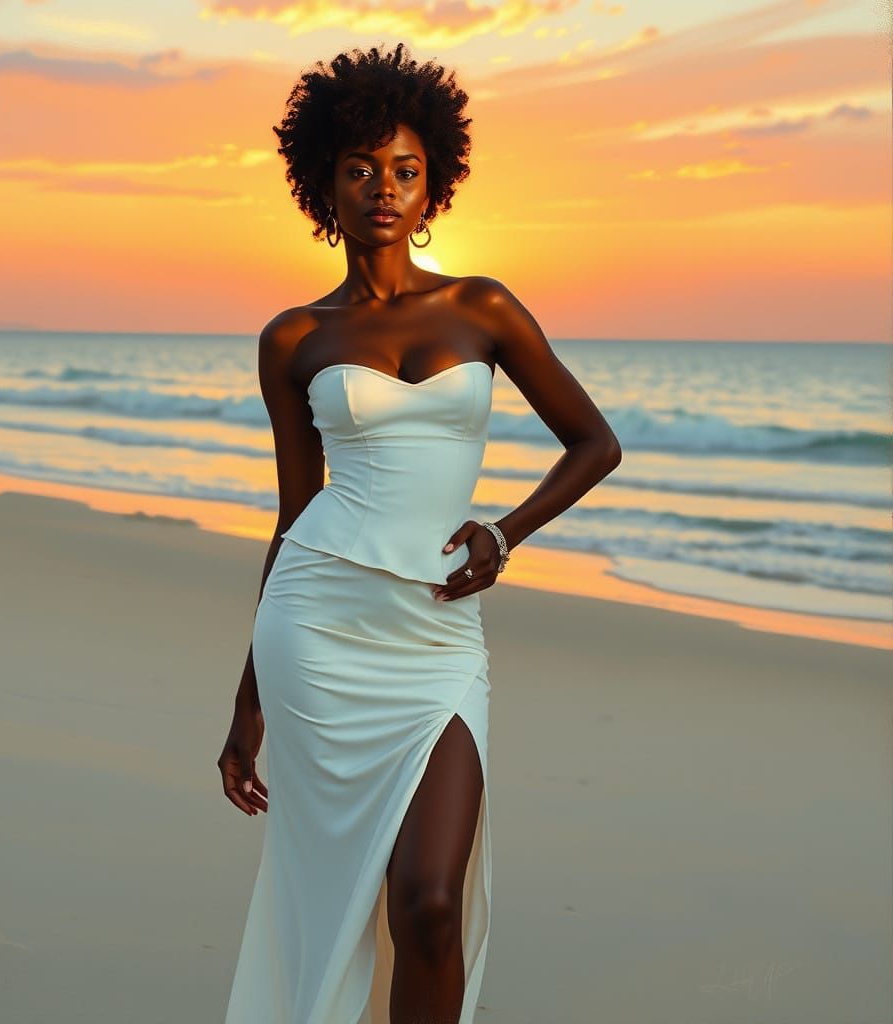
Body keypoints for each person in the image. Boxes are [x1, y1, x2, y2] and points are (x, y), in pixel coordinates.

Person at [219, 42, 622, 1024]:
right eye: (359, 170)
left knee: (430, 899)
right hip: (317, 623)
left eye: (404, 169)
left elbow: (592, 442)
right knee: (348, 893)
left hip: (437, 637)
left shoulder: (481, 306)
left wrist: (507, 530)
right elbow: (292, 515)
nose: (383, 189)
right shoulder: (292, 337)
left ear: (434, 180)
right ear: (324, 185)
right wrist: (246, 706)